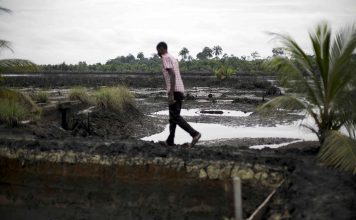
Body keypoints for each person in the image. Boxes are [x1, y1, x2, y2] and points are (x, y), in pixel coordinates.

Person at [156, 41, 201, 147]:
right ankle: (170, 141)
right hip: (179, 90)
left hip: (175, 91)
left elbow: (172, 74)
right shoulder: (173, 58)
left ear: (162, 49)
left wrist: (170, 93)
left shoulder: (165, 57)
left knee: (175, 116)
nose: (157, 53)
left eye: (158, 50)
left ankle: (195, 134)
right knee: (173, 118)